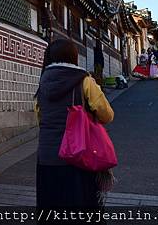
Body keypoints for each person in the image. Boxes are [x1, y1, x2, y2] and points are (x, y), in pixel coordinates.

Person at [35, 39, 114, 210]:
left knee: (50, 205)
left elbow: (40, 116)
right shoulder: (84, 80)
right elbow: (107, 115)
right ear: (74, 56)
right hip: (78, 154)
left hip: (47, 156)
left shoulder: (43, 81)